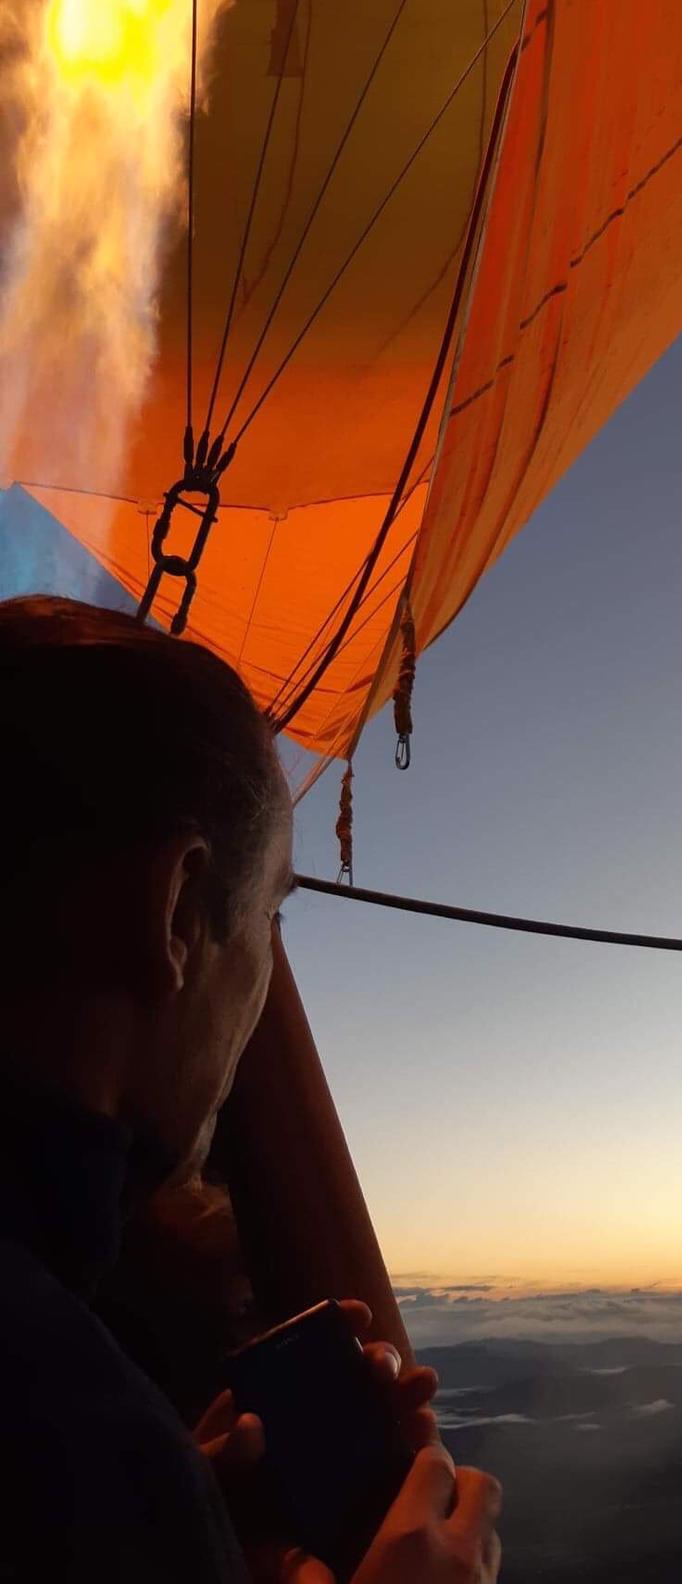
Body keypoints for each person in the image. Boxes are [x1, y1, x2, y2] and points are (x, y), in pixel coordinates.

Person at [0, 595, 501, 1583]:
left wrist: (195, 1524)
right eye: (272, 910)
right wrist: (141, 1499)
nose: (266, 969)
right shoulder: (62, 1416)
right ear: (179, 912)